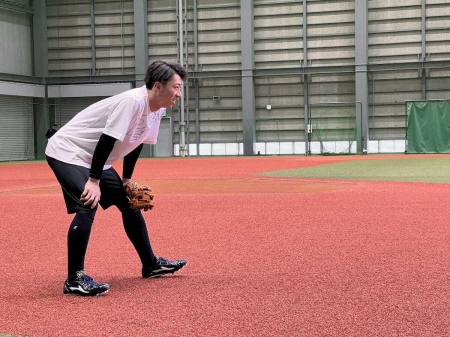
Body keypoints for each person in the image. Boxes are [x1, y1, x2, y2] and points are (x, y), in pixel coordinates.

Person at [45, 60, 188, 296]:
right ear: (158, 86)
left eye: (180, 88)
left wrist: (126, 180)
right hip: (68, 151)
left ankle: (150, 264)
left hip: (93, 158)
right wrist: (93, 181)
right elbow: (106, 140)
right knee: (88, 201)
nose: (179, 94)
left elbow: (136, 142)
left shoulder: (157, 108)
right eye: (176, 87)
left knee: (129, 202)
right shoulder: (132, 102)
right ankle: (75, 279)